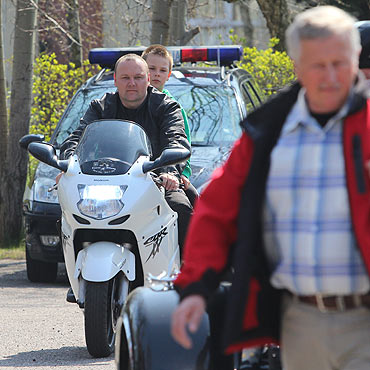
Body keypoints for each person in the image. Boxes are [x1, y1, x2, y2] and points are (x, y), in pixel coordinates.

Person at [171, 6, 370, 370]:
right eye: (317, 65)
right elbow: (217, 210)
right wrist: (196, 289)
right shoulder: (266, 133)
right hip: (299, 322)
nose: (330, 76)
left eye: (340, 63)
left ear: (356, 58)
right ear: (296, 64)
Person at [59, 53, 192, 252]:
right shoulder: (100, 107)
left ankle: (185, 276)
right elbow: (77, 138)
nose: (132, 83)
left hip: (154, 180)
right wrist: (69, 165)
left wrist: (170, 172)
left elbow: (176, 140)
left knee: (181, 207)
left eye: (138, 77)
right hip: (105, 183)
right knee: (66, 211)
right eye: (125, 78)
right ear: (115, 80)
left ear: (148, 79)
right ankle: (76, 277)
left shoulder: (166, 107)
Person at [141, 44, 198, 206]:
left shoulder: (173, 107)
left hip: (165, 175)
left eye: (162, 70)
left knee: (189, 203)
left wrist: (183, 174)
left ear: (169, 75)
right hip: (130, 175)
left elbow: (182, 142)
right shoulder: (128, 101)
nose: (157, 74)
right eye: (152, 68)